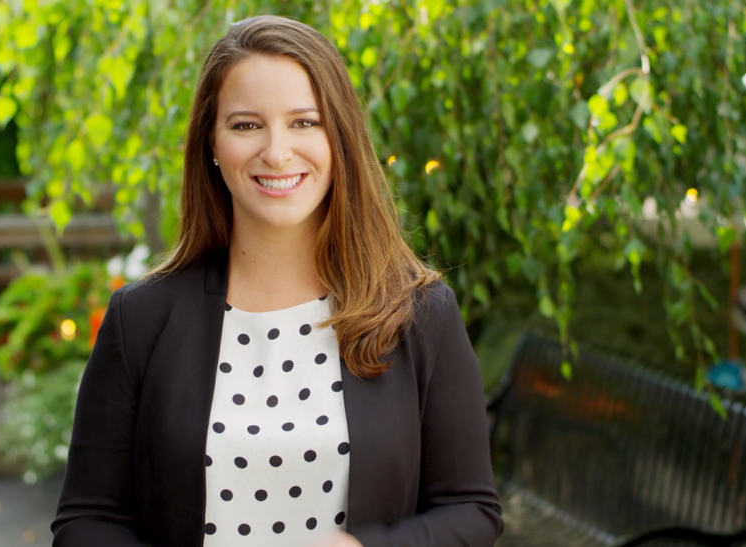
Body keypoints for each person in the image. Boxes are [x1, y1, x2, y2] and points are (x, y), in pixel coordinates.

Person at [52, 15, 503, 547]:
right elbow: (85, 522)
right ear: (212, 145)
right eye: (246, 125)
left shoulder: (421, 312)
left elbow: (471, 509)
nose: (277, 151)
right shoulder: (141, 318)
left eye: (305, 122)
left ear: (340, 137)